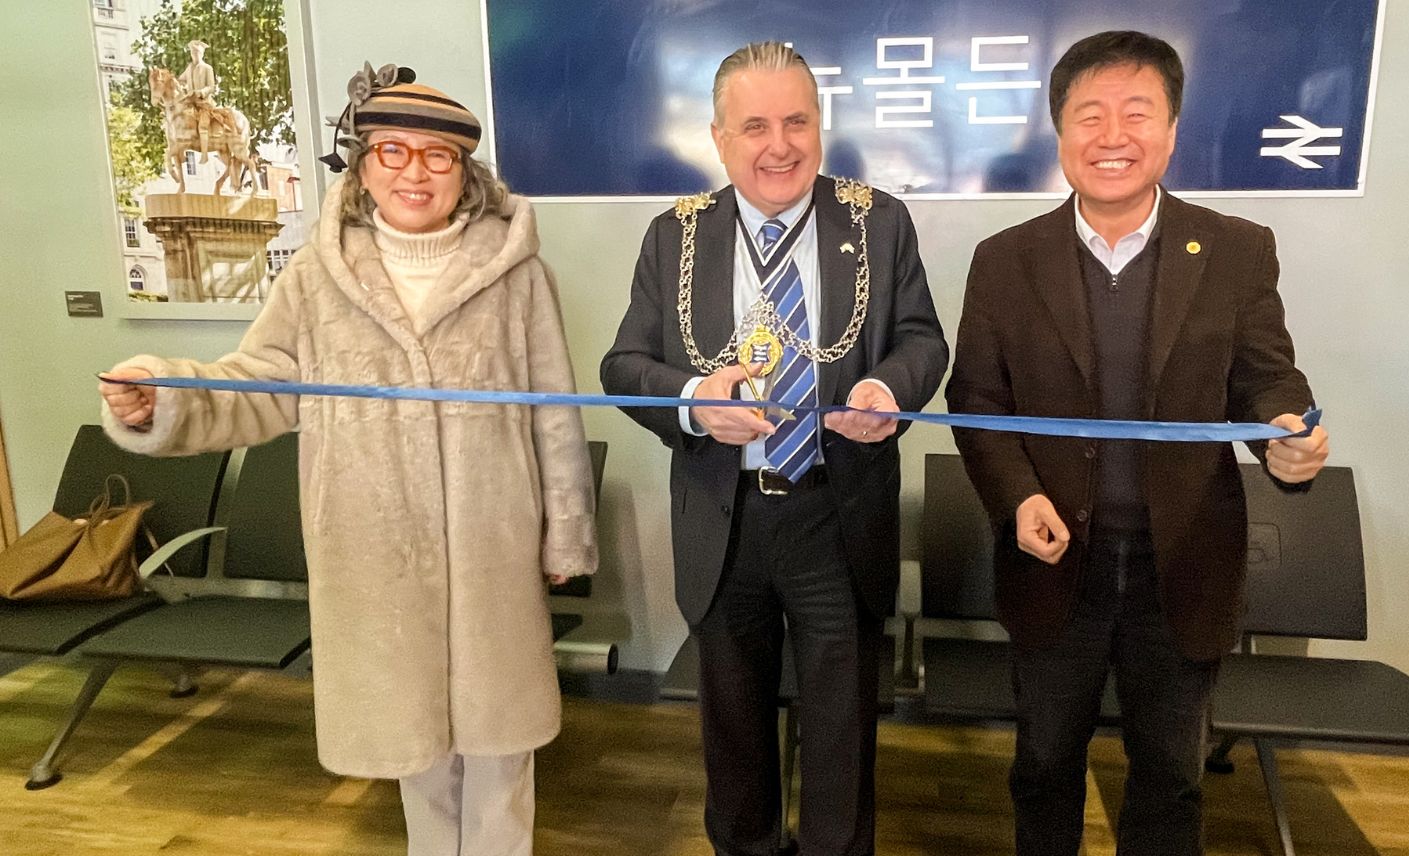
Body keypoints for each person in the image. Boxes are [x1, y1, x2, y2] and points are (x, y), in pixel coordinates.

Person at [99, 65, 596, 856]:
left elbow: (555, 415)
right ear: (363, 165)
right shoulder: (317, 277)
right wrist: (169, 397)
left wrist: (563, 533)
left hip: (489, 546)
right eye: (392, 151)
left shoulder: (517, 274)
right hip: (373, 550)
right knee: (416, 749)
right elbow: (261, 387)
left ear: (464, 173)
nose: (414, 171)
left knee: (502, 747)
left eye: (437, 156)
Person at [945, 31, 1330, 856]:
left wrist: (1289, 435)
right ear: (1060, 133)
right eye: (1090, 115)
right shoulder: (1005, 261)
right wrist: (1018, 498)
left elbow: (1268, 379)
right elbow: (976, 399)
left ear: (1172, 130)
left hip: (1182, 560)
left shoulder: (1235, 249)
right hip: (1053, 561)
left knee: (1171, 772)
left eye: (1136, 112)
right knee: (1044, 763)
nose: (1112, 136)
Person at [601, 41, 948, 856]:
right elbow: (624, 366)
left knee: (842, 736)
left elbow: (922, 340)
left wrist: (887, 391)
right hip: (725, 519)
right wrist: (692, 400)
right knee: (734, 738)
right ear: (720, 139)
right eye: (754, 126)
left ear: (821, 127)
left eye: (797, 121)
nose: (779, 145)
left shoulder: (877, 220)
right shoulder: (675, 237)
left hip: (839, 510)